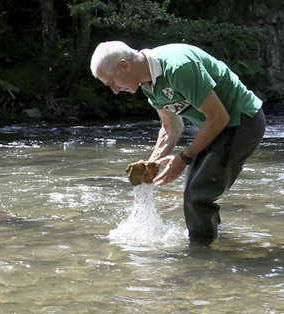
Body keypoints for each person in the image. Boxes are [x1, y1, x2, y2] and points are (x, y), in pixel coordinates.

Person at [90, 41, 266, 245]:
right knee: (196, 190)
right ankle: (215, 242)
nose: (114, 90)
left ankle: (200, 256)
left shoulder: (178, 67)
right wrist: (151, 165)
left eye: (112, 81)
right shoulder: (149, 87)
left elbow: (219, 117)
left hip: (241, 121)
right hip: (217, 126)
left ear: (124, 66)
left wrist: (183, 158)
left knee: (198, 194)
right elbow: (171, 127)